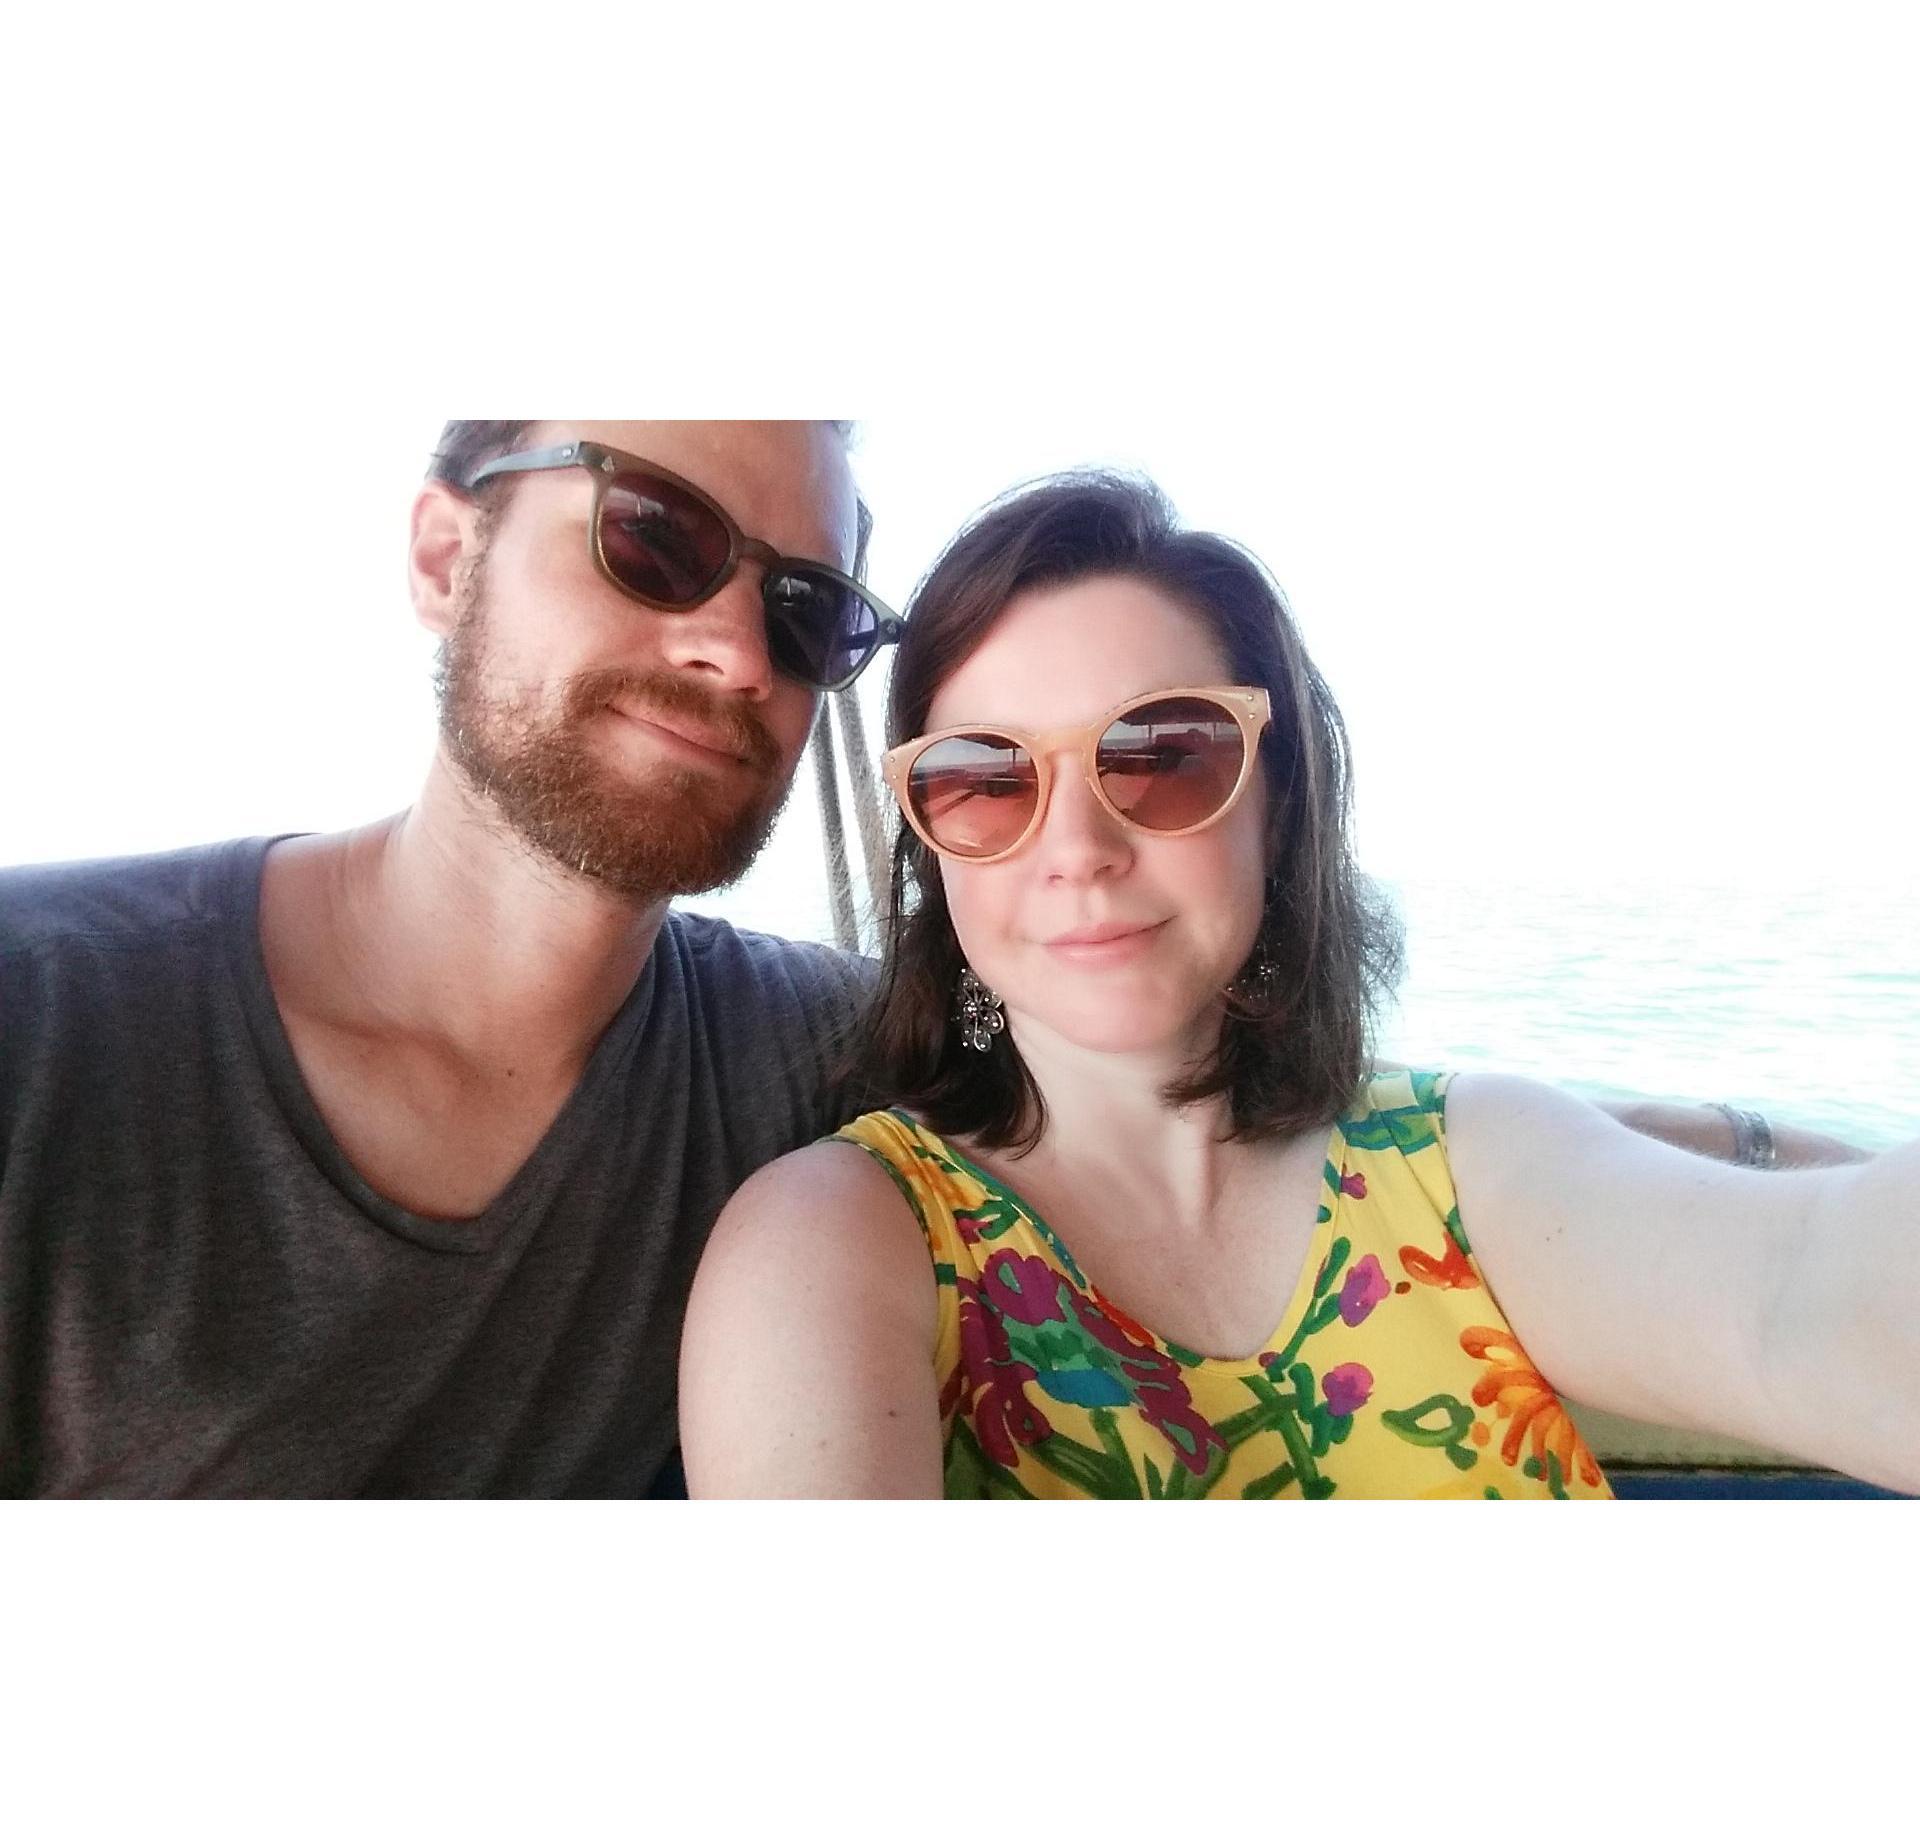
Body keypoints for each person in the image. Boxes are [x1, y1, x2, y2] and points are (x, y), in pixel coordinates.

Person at [679, 471, 1919, 1499]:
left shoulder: (1462, 1161)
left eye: (1163, 754)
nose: (1078, 848)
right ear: (931, 843)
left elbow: (1796, 1301)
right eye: (985, 777)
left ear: (1278, 803)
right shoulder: (843, 1242)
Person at [0, 420, 906, 1496]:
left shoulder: (823, 1056)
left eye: (807, 612)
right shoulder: (42, 1019)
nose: (743, 655)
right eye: (655, 537)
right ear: (445, 559)